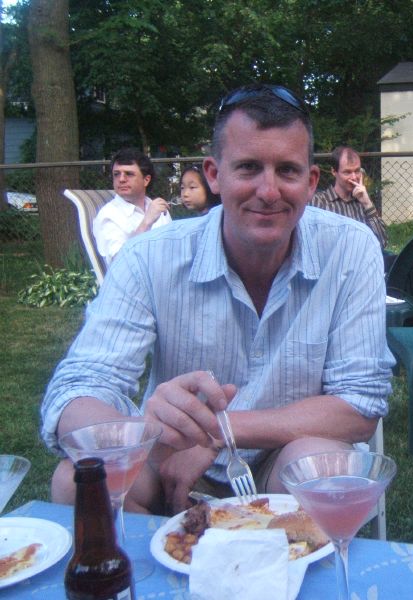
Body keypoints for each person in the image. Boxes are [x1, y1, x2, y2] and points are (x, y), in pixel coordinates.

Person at [42, 83, 393, 515]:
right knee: (79, 479)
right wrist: (145, 434)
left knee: (326, 468)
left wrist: (217, 429)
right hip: (168, 458)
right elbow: (80, 385)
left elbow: (360, 404)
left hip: (280, 459)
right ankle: (156, 575)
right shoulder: (149, 256)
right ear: (213, 174)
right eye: (247, 168)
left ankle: (287, 581)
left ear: (310, 181)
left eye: (287, 170)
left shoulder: (351, 248)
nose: (268, 191)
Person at [92, 148, 172, 264]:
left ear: (146, 180)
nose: (121, 179)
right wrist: (146, 223)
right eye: (116, 174)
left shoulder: (157, 208)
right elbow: (120, 263)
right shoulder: (109, 215)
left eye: (129, 174)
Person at [311, 145, 388, 248]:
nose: (354, 177)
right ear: (334, 172)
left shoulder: (363, 203)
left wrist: (367, 203)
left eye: (357, 171)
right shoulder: (318, 202)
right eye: (347, 172)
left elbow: (382, 243)